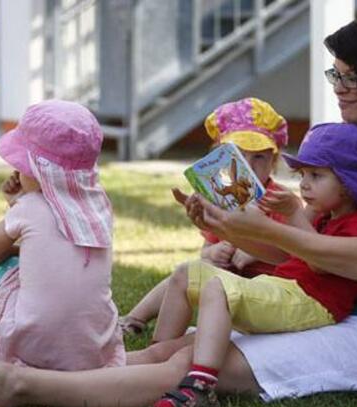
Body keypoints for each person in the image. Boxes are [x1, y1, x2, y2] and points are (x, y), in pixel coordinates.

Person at [0, 13, 357, 407]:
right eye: (337, 76)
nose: (341, 90)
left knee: (187, 366)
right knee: (172, 347)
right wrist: (230, 226)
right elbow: (315, 251)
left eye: (353, 79)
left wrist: (257, 229)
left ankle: (15, 384)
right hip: (330, 309)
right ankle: (11, 363)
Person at [151, 122, 357, 407]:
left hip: (313, 303)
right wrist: (213, 222)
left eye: (316, 175)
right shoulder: (326, 216)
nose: (304, 184)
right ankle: (159, 352)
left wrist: (294, 213)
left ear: (349, 183)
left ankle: (201, 386)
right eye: (302, 175)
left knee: (219, 288)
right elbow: (286, 254)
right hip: (285, 289)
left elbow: (318, 262)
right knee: (188, 272)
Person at [0, 99, 124, 370]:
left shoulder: (30, 206)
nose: (17, 170)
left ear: (38, 170)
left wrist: (15, 206)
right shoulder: (99, 208)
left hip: (31, 347)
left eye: (22, 164)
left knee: (5, 267)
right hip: (92, 347)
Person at [120, 97, 300, 336]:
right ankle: (135, 319)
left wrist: (254, 250)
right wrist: (213, 253)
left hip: (267, 290)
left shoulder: (281, 200)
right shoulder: (221, 199)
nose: (248, 164)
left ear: (274, 161)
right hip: (226, 284)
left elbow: (297, 254)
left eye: (260, 157)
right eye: (238, 155)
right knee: (191, 268)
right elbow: (206, 251)